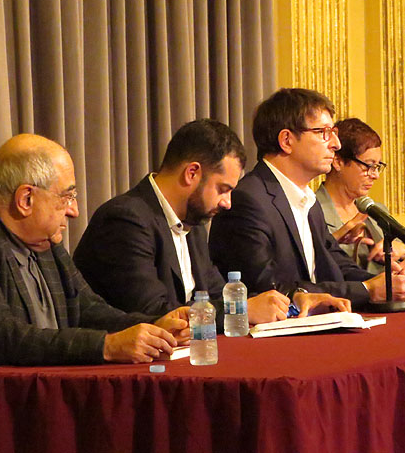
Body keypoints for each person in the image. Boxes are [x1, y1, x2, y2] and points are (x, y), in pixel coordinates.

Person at [0, 134, 190, 452]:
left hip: (48, 406)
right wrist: (107, 346)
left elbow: (88, 309)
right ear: (26, 199)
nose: (75, 211)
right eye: (66, 197)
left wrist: (154, 326)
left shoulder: (43, 239)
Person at [74, 119, 350, 325]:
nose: (227, 202)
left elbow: (218, 295)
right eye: (223, 189)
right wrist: (242, 311)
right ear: (192, 173)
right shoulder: (126, 221)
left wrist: (292, 301)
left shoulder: (191, 221)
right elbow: (155, 313)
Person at [209, 88, 405, 308]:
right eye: (323, 132)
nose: (336, 144)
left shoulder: (308, 200)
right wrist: (367, 290)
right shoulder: (247, 201)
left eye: (334, 132)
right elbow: (270, 289)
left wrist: (388, 282)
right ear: (287, 140)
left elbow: (337, 265)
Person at [316, 118, 405, 289]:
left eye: (377, 167)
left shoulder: (375, 210)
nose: (375, 175)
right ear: (338, 162)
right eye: (368, 166)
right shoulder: (313, 213)